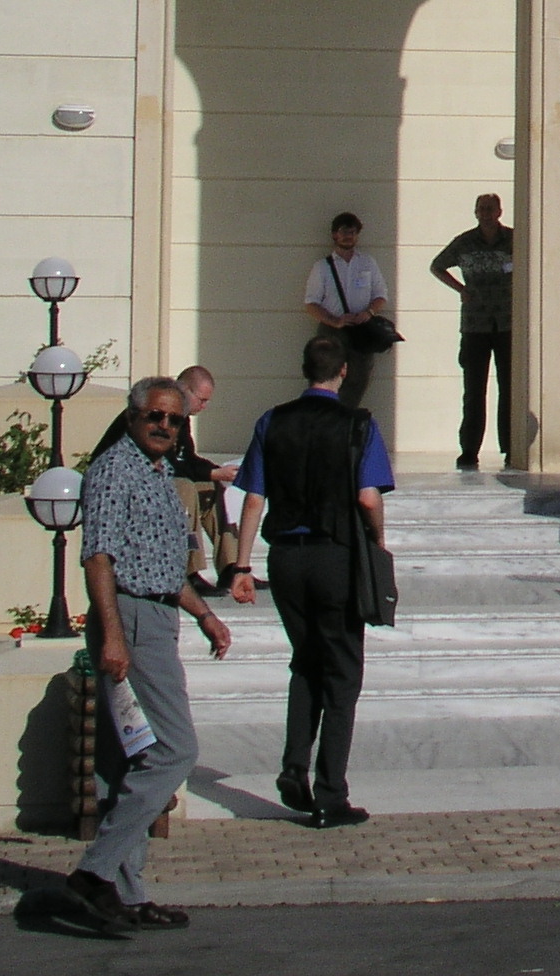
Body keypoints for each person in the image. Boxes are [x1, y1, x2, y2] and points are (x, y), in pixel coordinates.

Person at [63, 376, 233, 933]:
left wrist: (203, 614)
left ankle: (125, 894)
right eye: (154, 417)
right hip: (130, 619)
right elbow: (100, 559)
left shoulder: (160, 473)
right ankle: (94, 873)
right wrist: (112, 634)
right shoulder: (115, 469)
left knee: (126, 762)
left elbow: (163, 566)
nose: (164, 426)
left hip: (156, 612)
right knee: (176, 750)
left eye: (174, 420)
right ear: (133, 417)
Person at [228, 333, 395, 829]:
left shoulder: (271, 420)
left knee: (305, 662)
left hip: (285, 559)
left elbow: (253, 499)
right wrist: (379, 544)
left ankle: (293, 767)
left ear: (304, 370)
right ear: (343, 371)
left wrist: (241, 567)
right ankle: (330, 793)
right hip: (335, 555)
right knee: (342, 672)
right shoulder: (357, 424)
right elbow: (368, 497)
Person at [92, 364, 241, 592]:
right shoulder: (152, 415)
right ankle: (189, 570)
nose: (204, 406)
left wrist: (218, 472)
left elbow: (187, 458)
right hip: (133, 483)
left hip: (158, 480)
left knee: (211, 487)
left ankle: (231, 566)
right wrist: (212, 472)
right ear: (184, 389)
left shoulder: (182, 419)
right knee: (185, 487)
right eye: (201, 399)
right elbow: (172, 464)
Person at [430, 193, 516, 471]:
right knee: (474, 391)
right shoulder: (464, 242)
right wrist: (461, 290)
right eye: (481, 209)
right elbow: (437, 266)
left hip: (507, 323)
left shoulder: (515, 239)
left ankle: (511, 447)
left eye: (491, 208)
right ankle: (469, 450)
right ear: (475, 212)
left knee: (509, 389)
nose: (486, 213)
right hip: (475, 325)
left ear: (500, 211)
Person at [305, 212, 390, 409]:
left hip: (361, 332)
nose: (348, 236)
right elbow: (311, 303)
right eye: (343, 231)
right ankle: (326, 417)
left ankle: (346, 419)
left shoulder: (367, 263)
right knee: (326, 376)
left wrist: (368, 313)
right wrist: (335, 321)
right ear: (335, 235)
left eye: (352, 232)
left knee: (358, 379)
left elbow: (381, 294)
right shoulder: (322, 267)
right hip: (332, 331)